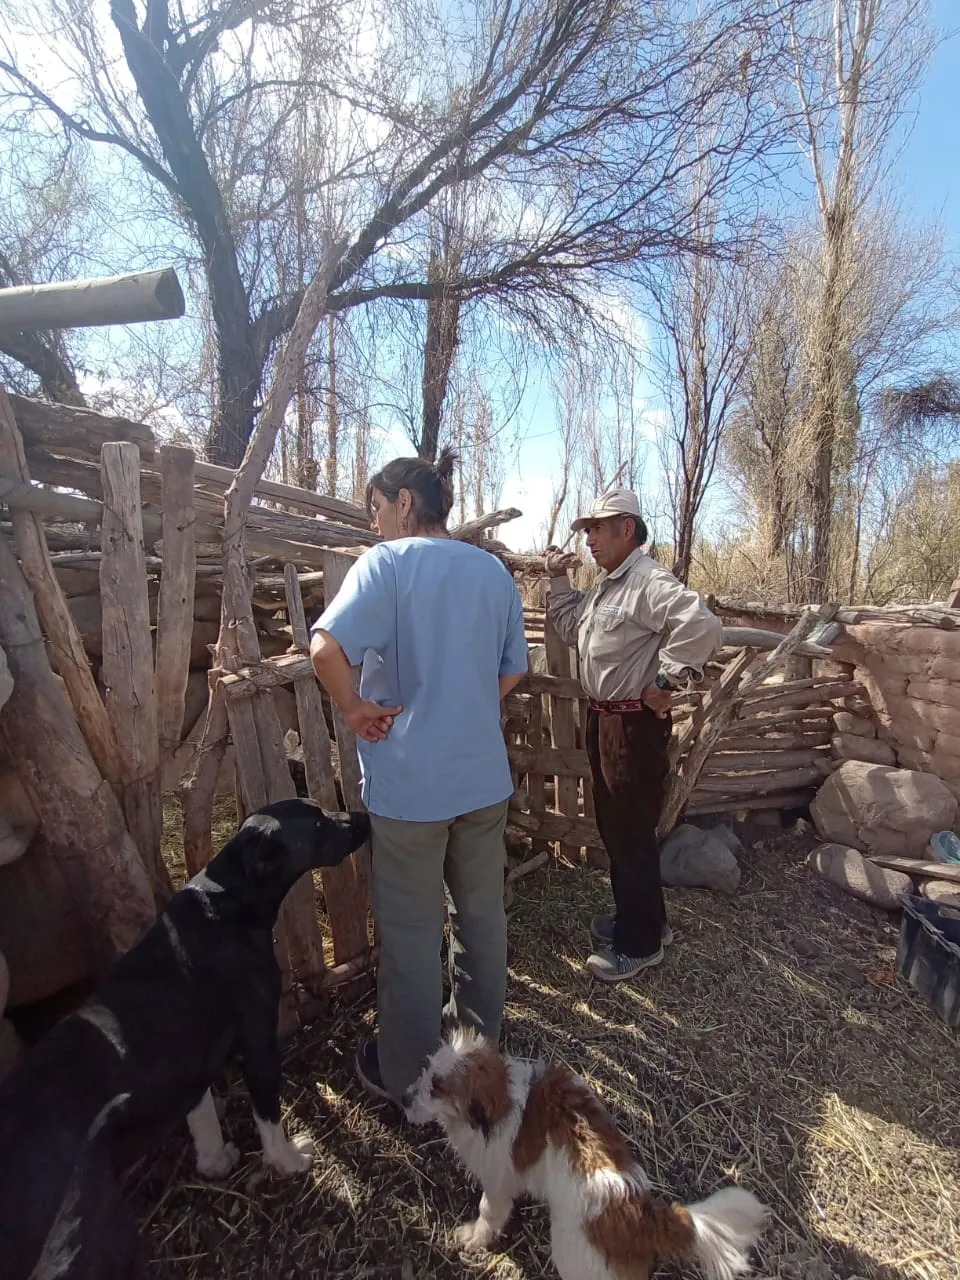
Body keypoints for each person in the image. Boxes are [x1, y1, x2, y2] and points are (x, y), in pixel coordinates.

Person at [309, 449, 528, 1104]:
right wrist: (468, 705)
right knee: (482, 920)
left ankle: (407, 1077)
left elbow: (326, 647)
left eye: (377, 508)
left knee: (409, 934)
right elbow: (513, 668)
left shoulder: (387, 565)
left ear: (405, 503)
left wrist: (353, 707)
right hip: (482, 782)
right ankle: (474, 1061)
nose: (375, 524)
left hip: (411, 790)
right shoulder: (492, 572)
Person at [545, 489, 722, 984]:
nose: (589, 539)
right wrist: (558, 578)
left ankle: (639, 945)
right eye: (586, 530)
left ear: (627, 529)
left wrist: (668, 681)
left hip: (631, 725)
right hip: (606, 720)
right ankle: (646, 921)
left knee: (629, 831)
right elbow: (569, 624)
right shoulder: (609, 586)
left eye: (598, 528)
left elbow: (702, 625)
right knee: (619, 829)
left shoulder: (646, 580)